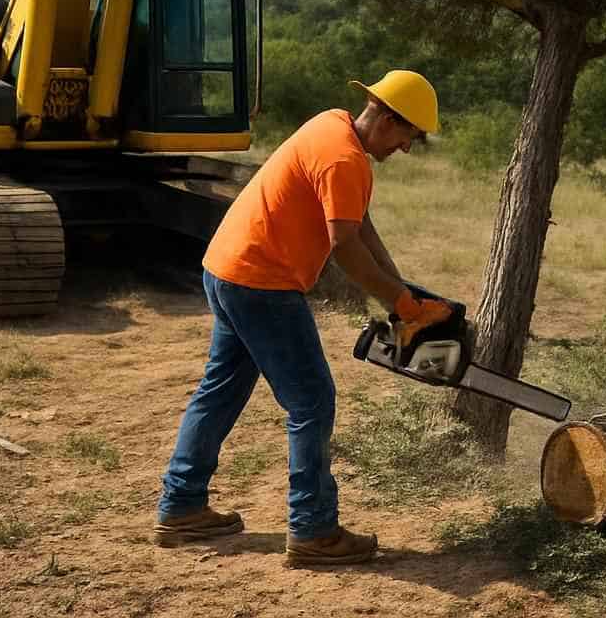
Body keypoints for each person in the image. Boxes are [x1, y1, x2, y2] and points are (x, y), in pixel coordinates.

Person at [153, 70, 453, 567]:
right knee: (312, 400)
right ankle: (313, 529)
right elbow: (346, 248)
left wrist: (405, 297)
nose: (405, 148)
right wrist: (403, 308)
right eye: (408, 135)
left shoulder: (332, 127)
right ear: (387, 117)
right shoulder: (343, 158)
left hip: (226, 268)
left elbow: (360, 225)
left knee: (220, 390)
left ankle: (181, 505)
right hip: (261, 284)